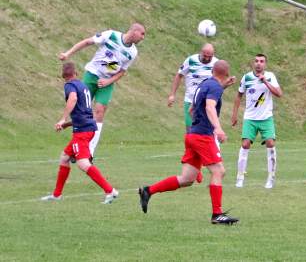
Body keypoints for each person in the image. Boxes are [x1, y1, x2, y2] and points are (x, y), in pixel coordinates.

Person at [139, 60, 239, 225]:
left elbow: (192, 109)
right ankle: (217, 214)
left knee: (187, 178)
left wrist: (223, 87)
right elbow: (209, 107)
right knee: (218, 171)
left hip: (192, 135)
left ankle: (148, 191)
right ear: (226, 75)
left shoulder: (205, 84)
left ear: (213, 70)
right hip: (202, 137)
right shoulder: (214, 87)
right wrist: (218, 128)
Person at [58, 23, 145, 158]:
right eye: (142, 34)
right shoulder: (111, 35)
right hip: (91, 75)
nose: (143, 38)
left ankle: (89, 152)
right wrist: (68, 53)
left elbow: (121, 71)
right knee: (82, 111)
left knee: (99, 112)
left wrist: (108, 81)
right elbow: (88, 42)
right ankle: (75, 145)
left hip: (107, 83)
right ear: (134, 32)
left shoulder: (133, 52)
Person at [41, 62, 118, 204]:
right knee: (64, 158)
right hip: (88, 128)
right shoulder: (83, 86)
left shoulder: (69, 86)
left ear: (64, 76)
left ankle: (110, 191)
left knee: (83, 163)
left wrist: (63, 118)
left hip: (82, 132)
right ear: (76, 73)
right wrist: (68, 124)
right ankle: (57, 195)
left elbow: (73, 99)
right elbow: (83, 113)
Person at [231, 54, 282, 189]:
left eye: (262, 61)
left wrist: (265, 81)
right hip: (250, 118)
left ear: (265, 64)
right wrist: (234, 114)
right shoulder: (246, 77)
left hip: (266, 118)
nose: (259, 63)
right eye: (256, 61)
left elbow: (279, 93)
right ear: (253, 63)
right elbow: (238, 96)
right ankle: (240, 177)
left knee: (270, 143)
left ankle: (271, 178)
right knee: (245, 143)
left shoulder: (270, 76)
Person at [168, 43, 218, 133]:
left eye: (209, 57)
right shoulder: (191, 60)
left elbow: (219, 82)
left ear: (213, 55)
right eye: (205, 56)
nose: (207, 59)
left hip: (207, 104)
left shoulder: (216, 63)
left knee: (208, 131)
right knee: (190, 131)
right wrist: (172, 94)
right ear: (200, 53)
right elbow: (179, 75)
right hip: (190, 100)